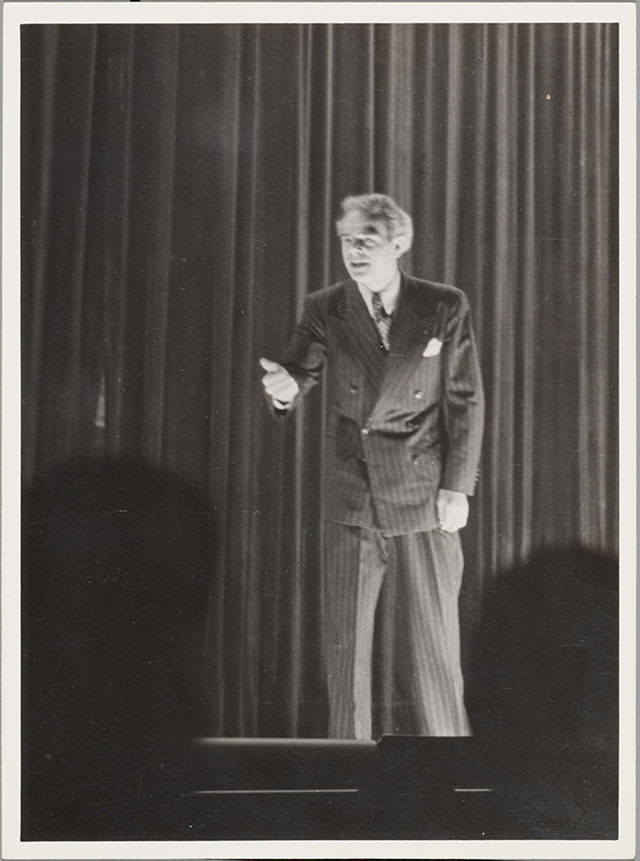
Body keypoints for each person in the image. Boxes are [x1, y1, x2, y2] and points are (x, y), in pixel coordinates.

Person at [260, 194, 484, 740]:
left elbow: (465, 399)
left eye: (367, 240)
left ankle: (450, 766)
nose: (354, 251)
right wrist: (283, 391)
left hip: (423, 493)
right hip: (351, 493)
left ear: (399, 243)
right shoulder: (326, 306)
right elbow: (298, 371)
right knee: (346, 650)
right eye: (347, 241)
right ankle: (348, 770)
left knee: (434, 648)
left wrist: (457, 486)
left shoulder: (443, 304)